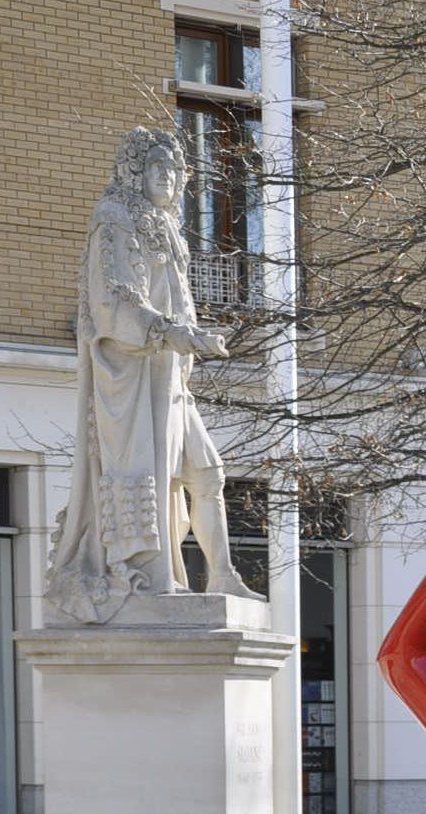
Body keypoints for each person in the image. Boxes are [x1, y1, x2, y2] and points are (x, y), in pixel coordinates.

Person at [46, 127, 262, 624]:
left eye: (174, 169)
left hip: (171, 375)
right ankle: (153, 575)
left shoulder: (166, 228)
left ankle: (223, 574)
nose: (167, 177)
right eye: (157, 167)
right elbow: (116, 303)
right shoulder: (115, 221)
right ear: (134, 172)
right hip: (134, 376)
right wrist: (172, 333)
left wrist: (191, 339)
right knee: (154, 474)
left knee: (207, 472)